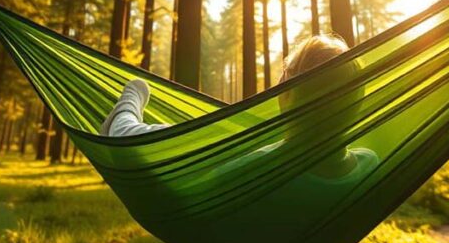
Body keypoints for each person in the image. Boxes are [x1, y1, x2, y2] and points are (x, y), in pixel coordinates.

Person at [100, 34, 378, 180]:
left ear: (288, 95)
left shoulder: (254, 167)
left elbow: (182, 170)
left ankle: (124, 113)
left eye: (284, 77)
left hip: (206, 181)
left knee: (161, 139)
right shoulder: (367, 164)